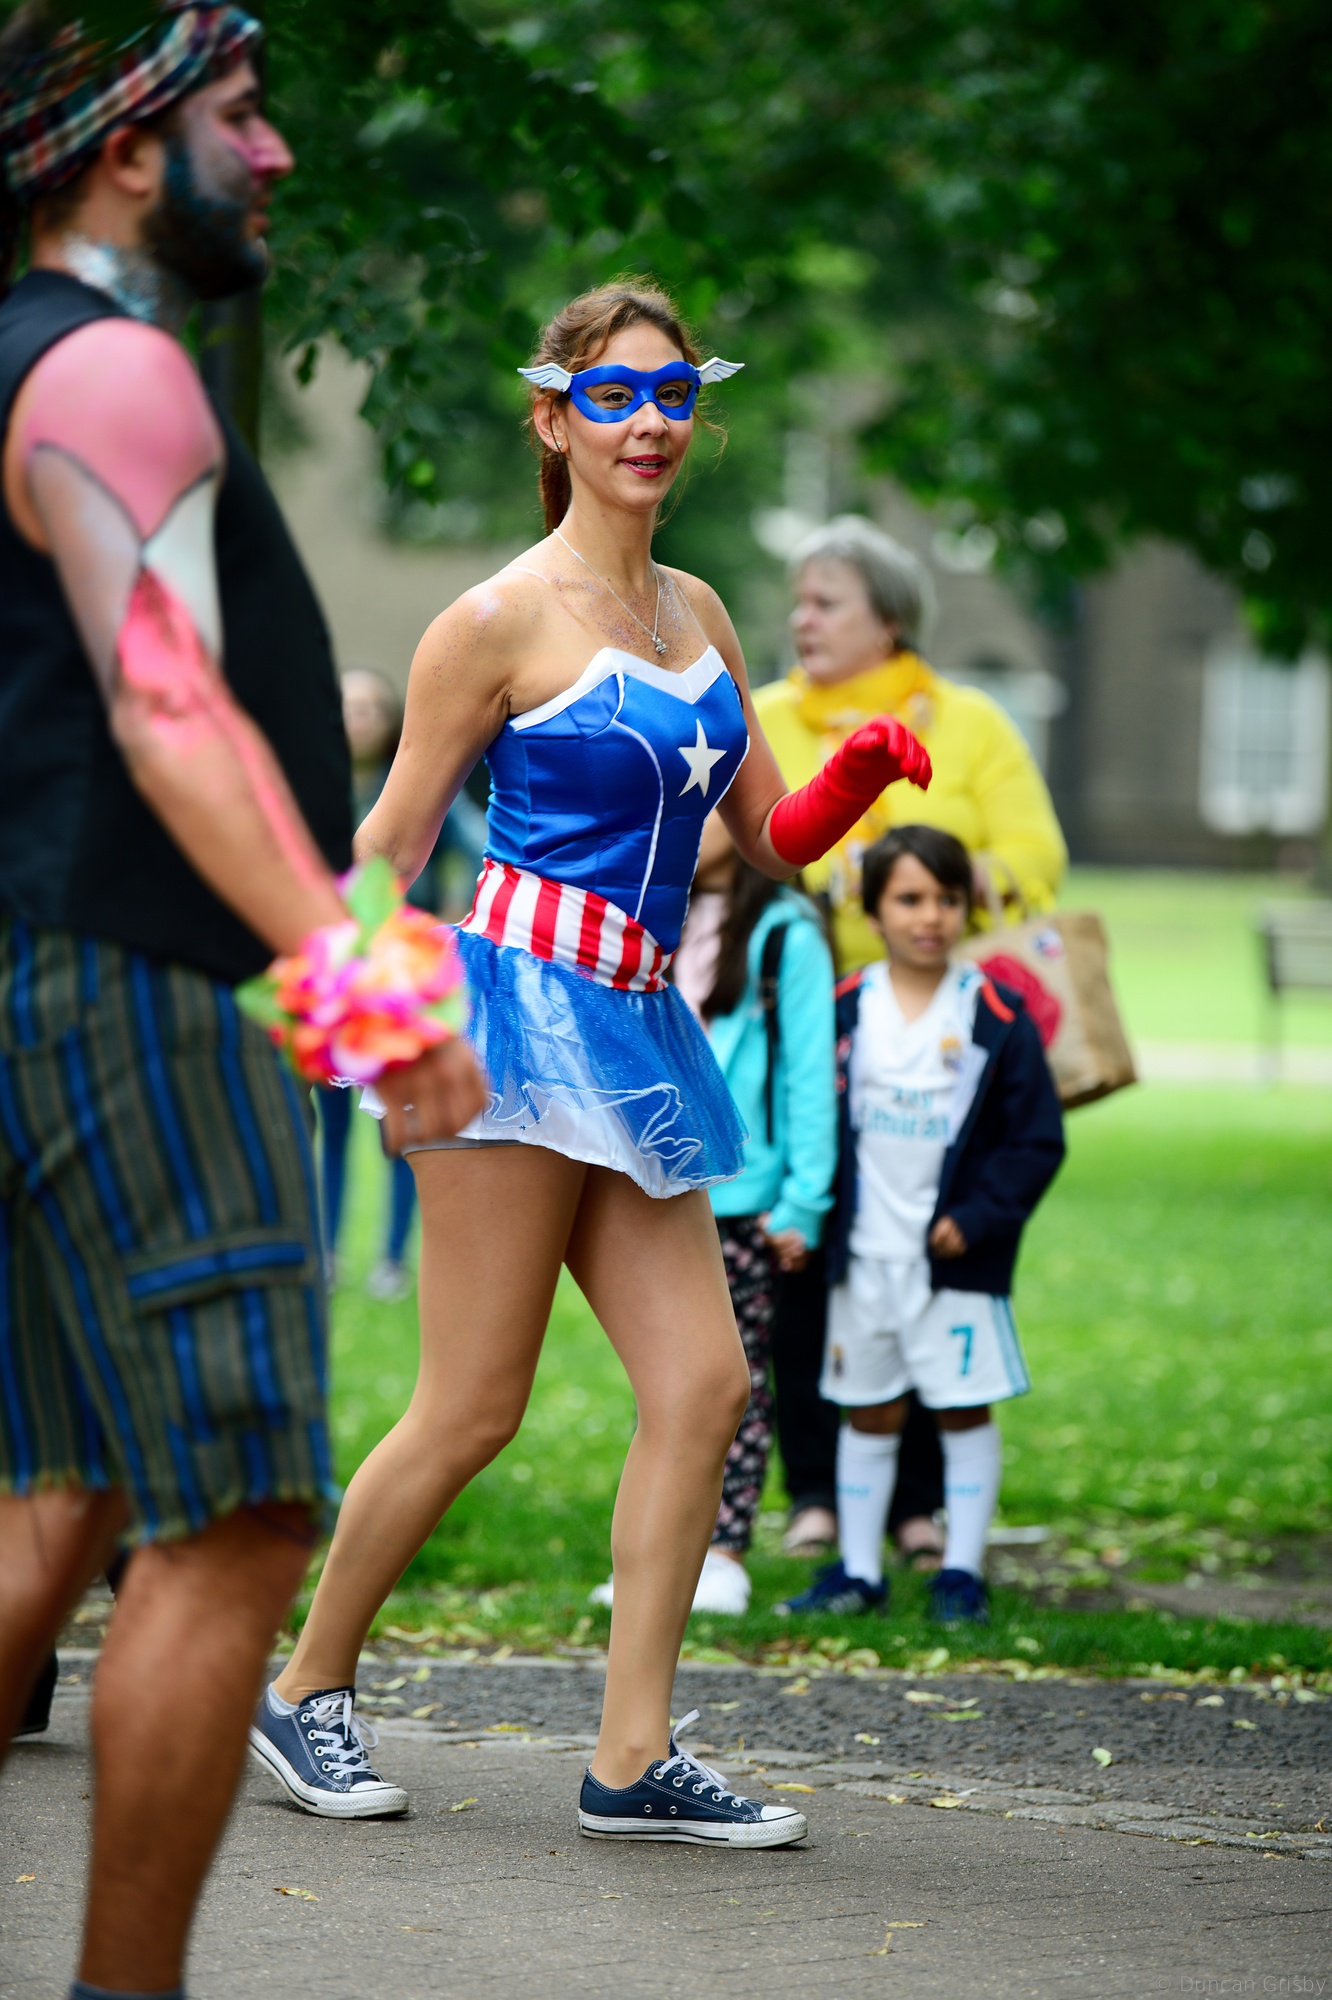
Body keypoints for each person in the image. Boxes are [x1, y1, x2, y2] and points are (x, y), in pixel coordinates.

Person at [249, 278, 930, 1849]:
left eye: (674, 395)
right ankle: (304, 1686)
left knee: (706, 1385)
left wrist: (858, 777)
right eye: (614, 397)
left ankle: (632, 1759)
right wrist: (372, 1041)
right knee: (472, 1404)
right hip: (504, 1020)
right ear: (554, 420)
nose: (650, 424)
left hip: (635, 1028)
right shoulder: (493, 618)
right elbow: (386, 848)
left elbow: (769, 840)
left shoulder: (700, 614)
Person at [0, 12, 482, 2000]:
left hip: (49, 983)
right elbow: (164, 697)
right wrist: (355, 969)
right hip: (130, 991)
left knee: (63, 1504)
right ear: (127, 146)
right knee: (241, 1517)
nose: (272, 152)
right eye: (238, 114)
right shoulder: (111, 366)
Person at [754, 516, 1068, 1569]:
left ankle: (923, 1506)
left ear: (888, 618)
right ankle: (816, 1493)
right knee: (810, 1251)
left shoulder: (970, 721)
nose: (802, 618)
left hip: (940, 1038)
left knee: (935, 1253)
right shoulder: (763, 716)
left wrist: (922, 881)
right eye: (799, 600)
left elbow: (1038, 854)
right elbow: (738, 847)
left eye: (826, 601)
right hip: (805, 1025)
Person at [778, 826, 1064, 1625]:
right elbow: (805, 1114)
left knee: (961, 1407)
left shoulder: (993, 1014)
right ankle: (859, 1570)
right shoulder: (842, 1009)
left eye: (946, 898)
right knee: (867, 1408)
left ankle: (961, 1573)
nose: (929, 916)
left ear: (967, 908)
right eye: (908, 899)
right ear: (871, 912)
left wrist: (977, 1218)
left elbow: (1036, 1140)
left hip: (954, 1266)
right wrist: (803, 1212)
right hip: (862, 1260)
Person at [591, 808, 837, 1616]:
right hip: (655, 1184)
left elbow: (809, 1078)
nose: (689, 820)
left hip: (746, 1198)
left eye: (710, 803)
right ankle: (656, 1557)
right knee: (662, 1383)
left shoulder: (785, 932)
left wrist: (803, 1200)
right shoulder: (653, 910)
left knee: (734, 1383)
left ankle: (723, 1551)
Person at [320, 668, 488, 1301]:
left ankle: (392, 1258)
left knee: (397, 1119)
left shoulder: (415, 783)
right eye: (346, 706)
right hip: (335, 972)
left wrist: (449, 911)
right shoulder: (316, 785)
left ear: (391, 717)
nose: (358, 717)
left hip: (396, 975)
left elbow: (480, 843)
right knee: (331, 1122)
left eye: (369, 705)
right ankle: (328, 1252)